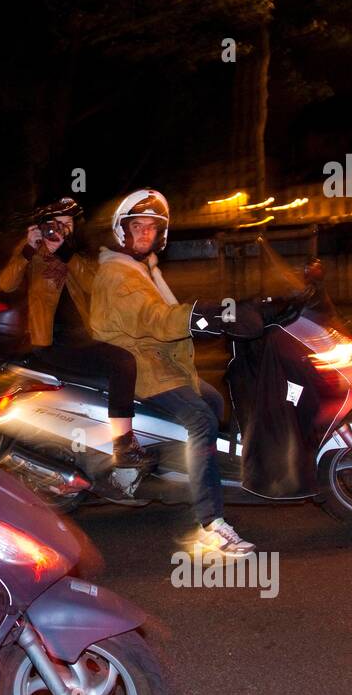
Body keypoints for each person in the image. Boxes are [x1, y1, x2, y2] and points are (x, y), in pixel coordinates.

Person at [89, 189, 264, 556]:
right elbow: (153, 318)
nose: (144, 234)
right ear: (121, 230)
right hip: (143, 365)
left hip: (162, 360)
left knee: (214, 401)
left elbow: (162, 313)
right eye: (137, 226)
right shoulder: (118, 275)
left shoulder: (141, 268)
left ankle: (183, 471)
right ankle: (210, 524)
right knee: (201, 417)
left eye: (151, 228)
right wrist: (200, 314)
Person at [0, 197, 153, 468]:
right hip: (51, 342)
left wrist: (66, 252)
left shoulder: (78, 253)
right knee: (123, 362)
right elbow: (7, 284)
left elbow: (95, 285)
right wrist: (27, 248)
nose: (61, 231)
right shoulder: (32, 252)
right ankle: (123, 446)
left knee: (134, 356)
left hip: (81, 338)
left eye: (67, 225)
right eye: (55, 225)